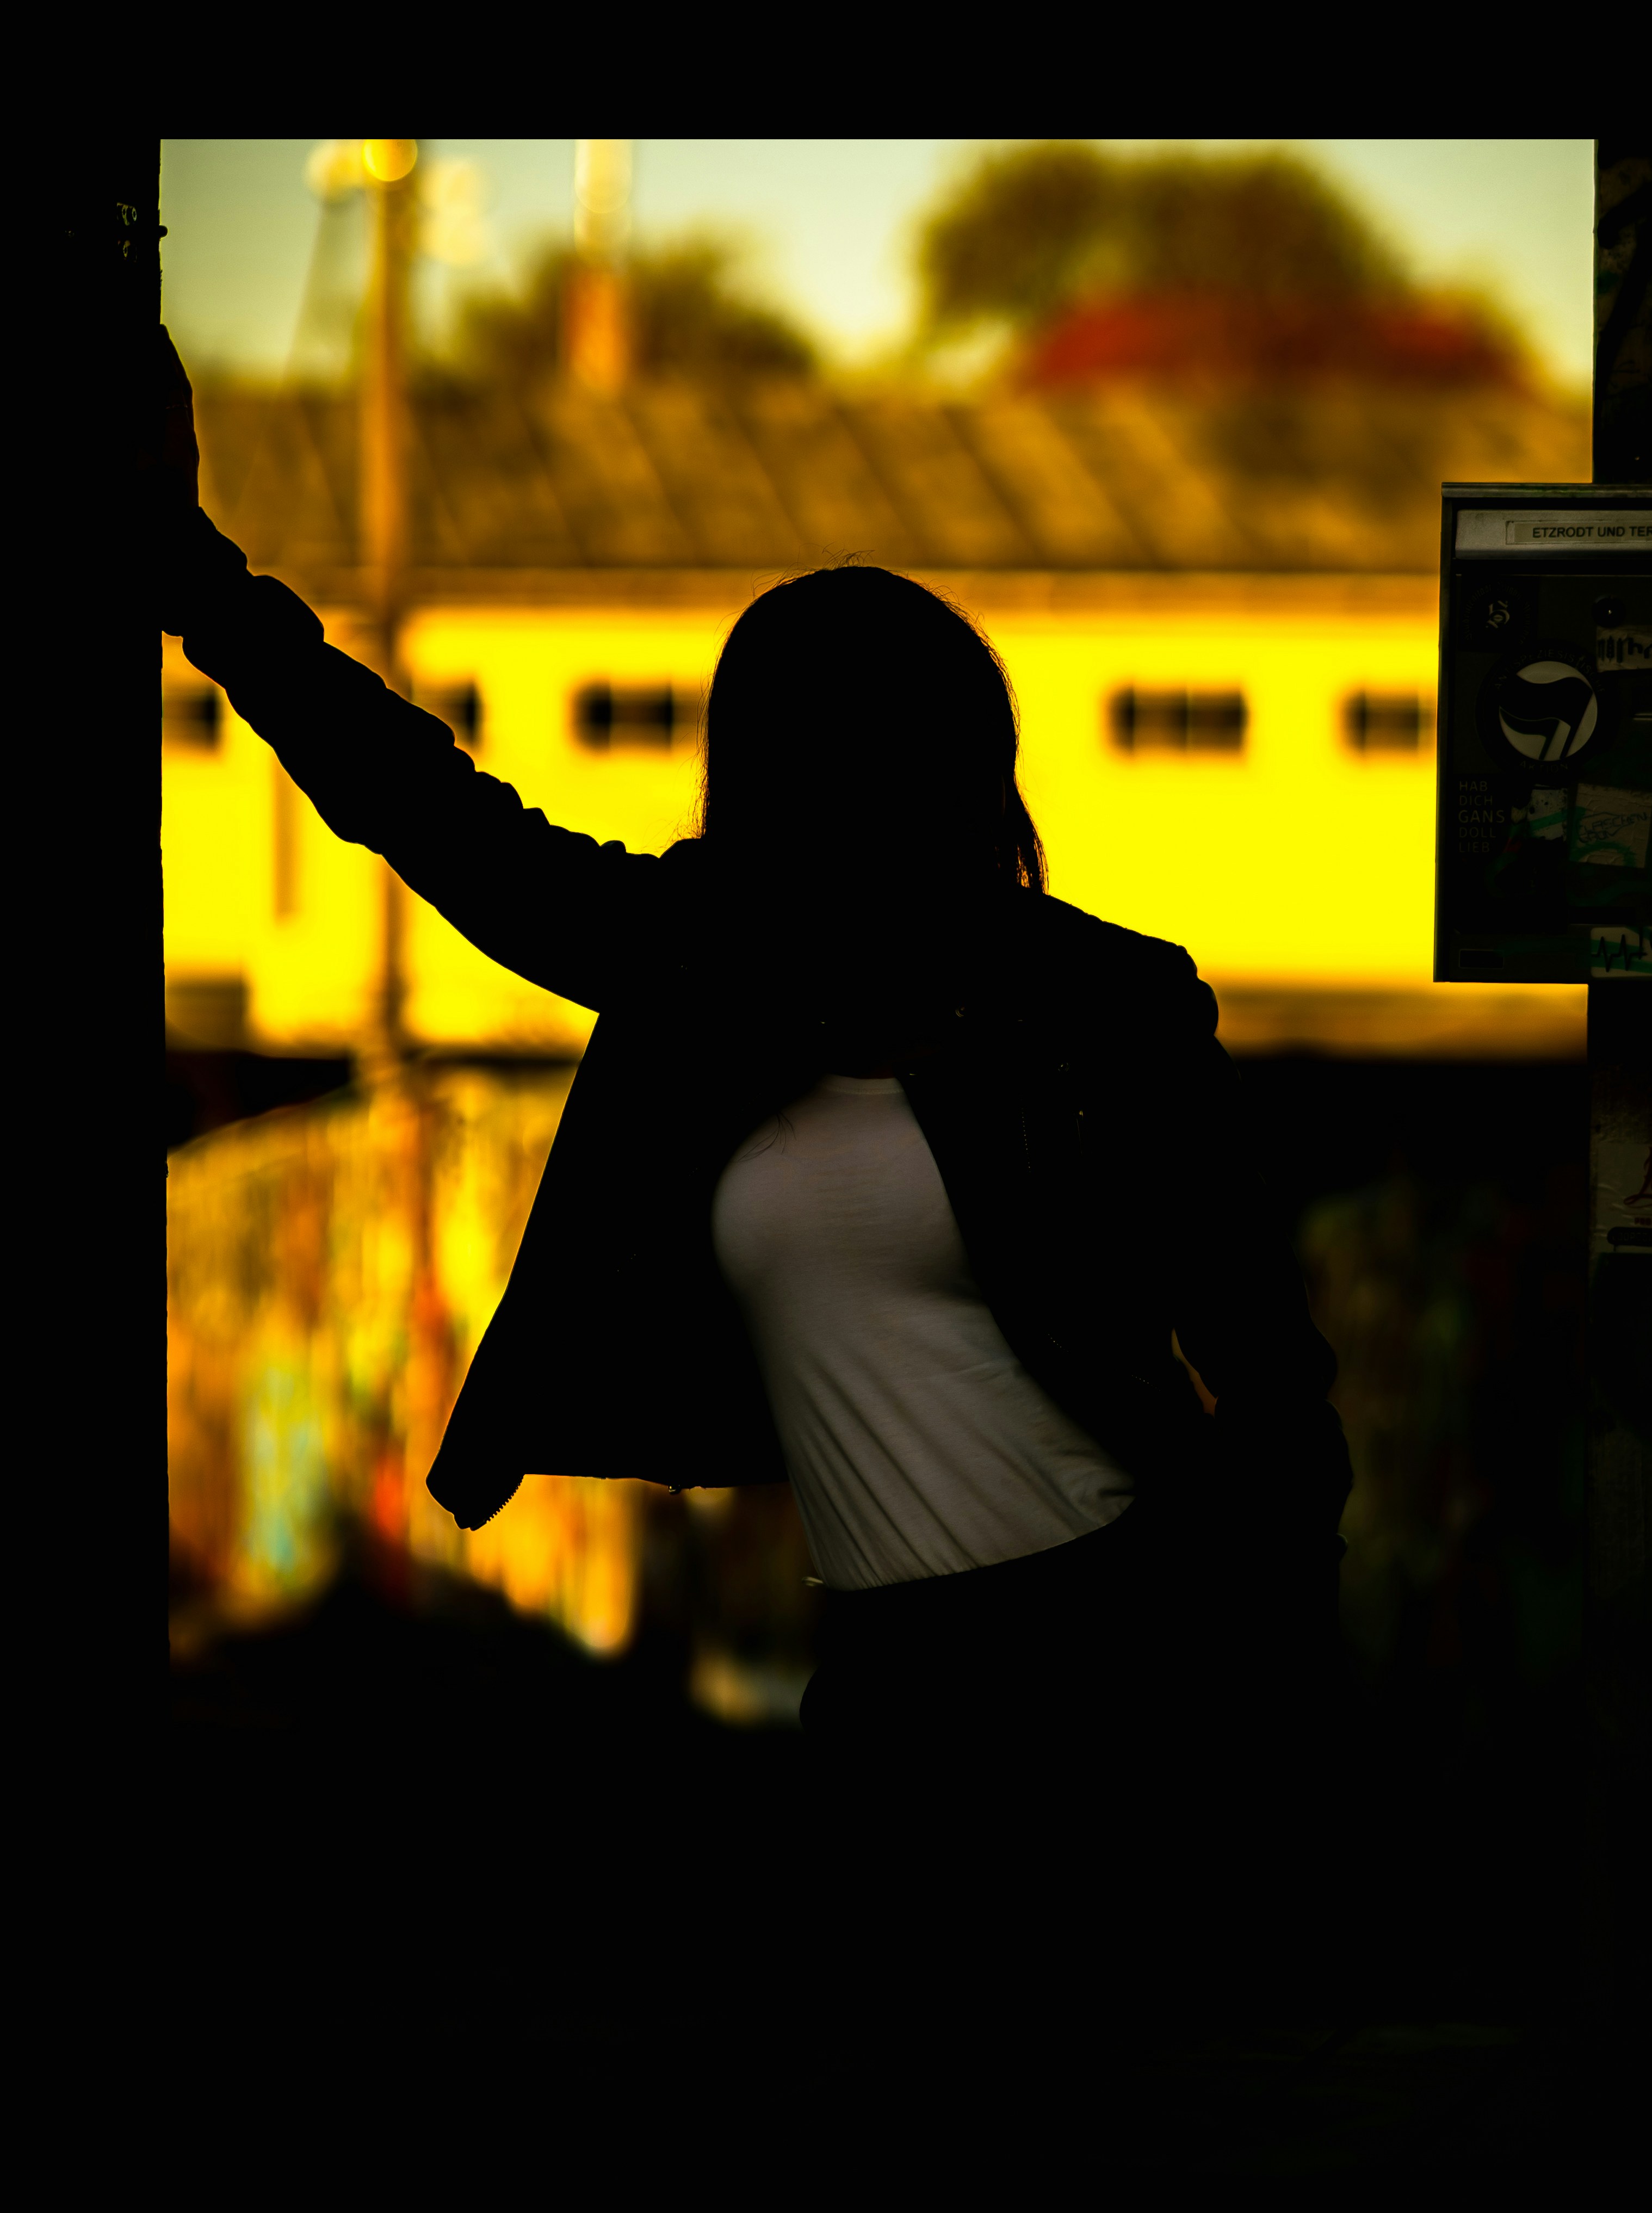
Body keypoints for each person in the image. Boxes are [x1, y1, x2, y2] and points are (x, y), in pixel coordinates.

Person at [145, 331, 1354, 2059]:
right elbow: (419, 806)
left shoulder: (1105, 1002)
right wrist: (193, 576)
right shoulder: (704, 962)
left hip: (1108, 1644)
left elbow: (1271, 1373)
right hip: (888, 1675)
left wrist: (1276, 1667)